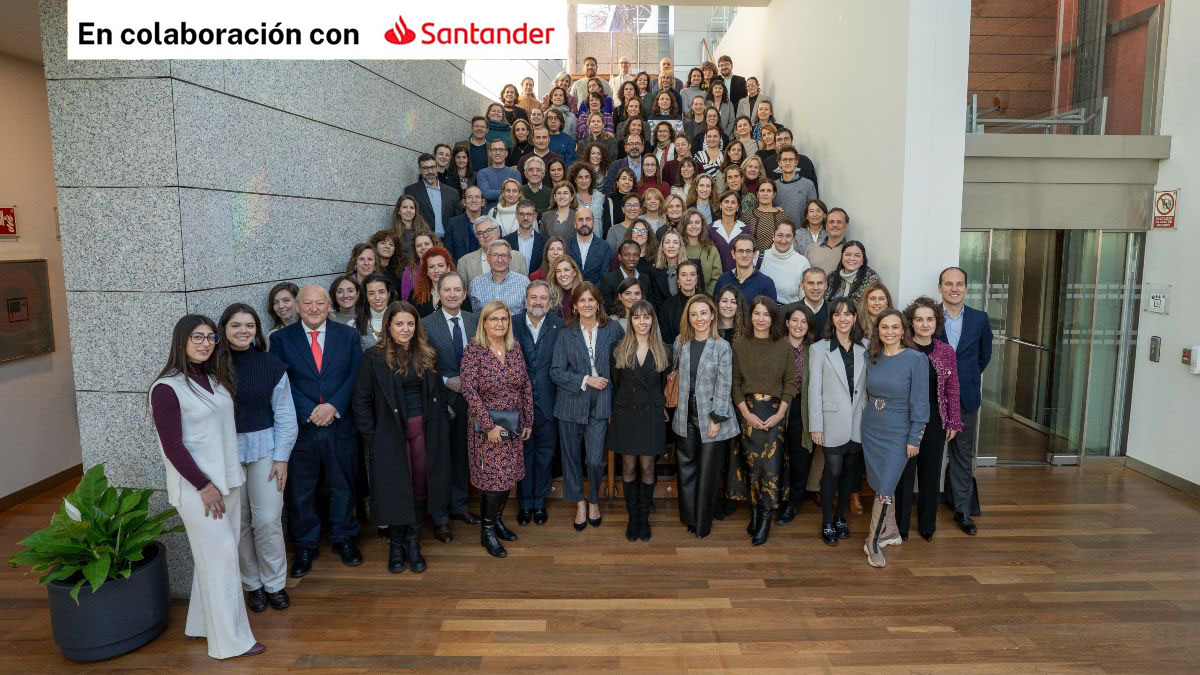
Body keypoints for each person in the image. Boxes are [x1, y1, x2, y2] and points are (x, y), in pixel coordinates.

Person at [150, 315, 264, 659]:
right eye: (197, 337)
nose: (205, 343)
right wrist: (203, 485)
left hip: (228, 483)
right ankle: (231, 642)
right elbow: (173, 446)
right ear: (181, 340)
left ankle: (200, 624)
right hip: (199, 491)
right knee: (223, 561)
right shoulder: (167, 389)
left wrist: (223, 482)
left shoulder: (213, 379)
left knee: (211, 561)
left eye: (210, 337)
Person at [270, 285, 364, 576]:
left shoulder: (347, 335)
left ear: (328, 306)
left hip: (340, 422)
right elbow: (281, 380)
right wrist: (309, 409)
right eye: (307, 303)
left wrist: (333, 406)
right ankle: (306, 545)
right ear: (298, 307)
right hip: (302, 427)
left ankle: (343, 537)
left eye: (319, 303)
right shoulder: (281, 339)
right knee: (301, 490)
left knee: (342, 484)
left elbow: (355, 375)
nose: (313, 308)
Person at [352, 301, 450, 574]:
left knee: (419, 486)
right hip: (390, 433)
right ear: (389, 326)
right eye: (399, 324)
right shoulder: (373, 356)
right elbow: (361, 399)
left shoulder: (428, 354)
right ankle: (396, 546)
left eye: (410, 323)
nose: (405, 329)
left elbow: (438, 393)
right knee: (395, 487)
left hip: (424, 431)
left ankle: (414, 543)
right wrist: (373, 437)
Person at [217, 304, 298, 614]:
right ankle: (253, 584)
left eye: (249, 325)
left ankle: (275, 583)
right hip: (226, 454)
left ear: (257, 330)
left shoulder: (271, 365)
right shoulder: (211, 369)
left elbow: (286, 415)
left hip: (266, 449)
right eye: (236, 325)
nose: (243, 331)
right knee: (240, 523)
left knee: (267, 520)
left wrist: (282, 458)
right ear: (224, 329)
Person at [459, 300, 534, 557]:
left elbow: (525, 386)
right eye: (494, 319)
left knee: (508, 476)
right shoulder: (474, 351)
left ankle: (498, 521)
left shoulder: (515, 348)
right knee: (493, 480)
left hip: (512, 423)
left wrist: (527, 421)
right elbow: (469, 390)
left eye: (504, 319)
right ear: (484, 322)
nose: (500, 323)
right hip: (486, 427)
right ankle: (487, 531)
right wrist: (489, 426)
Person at [551, 282, 624, 530]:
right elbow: (556, 372)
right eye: (582, 301)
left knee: (594, 460)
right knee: (571, 458)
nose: (587, 305)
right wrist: (585, 379)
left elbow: (623, 364)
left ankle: (594, 499)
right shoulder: (565, 332)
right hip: (571, 403)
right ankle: (580, 503)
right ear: (574, 306)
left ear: (598, 303)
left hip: (602, 404)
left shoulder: (612, 329)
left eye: (591, 300)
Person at [860, 309, 929, 568]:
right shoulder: (872, 356)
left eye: (895, 327)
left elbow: (920, 403)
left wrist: (915, 438)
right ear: (878, 330)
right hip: (872, 428)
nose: (890, 332)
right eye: (884, 327)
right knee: (880, 484)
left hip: (899, 432)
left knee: (886, 485)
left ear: (903, 331)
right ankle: (890, 532)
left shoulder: (915, 359)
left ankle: (872, 541)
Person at [729, 296, 795, 546]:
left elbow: (790, 383)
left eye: (766, 314)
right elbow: (734, 383)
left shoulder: (783, 346)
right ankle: (756, 511)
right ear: (750, 316)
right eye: (757, 313)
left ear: (773, 318)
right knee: (751, 466)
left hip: (775, 413)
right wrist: (746, 413)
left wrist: (780, 414)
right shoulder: (739, 345)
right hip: (747, 412)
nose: (761, 319)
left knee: (770, 468)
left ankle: (766, 517)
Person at [672, 295, 740, 538]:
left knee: (708, 471)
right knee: (687, 467)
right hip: (684, 414)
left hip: (712, 416)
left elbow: (724, 384)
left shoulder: (722, 346)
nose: (699, 318)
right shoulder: (680, 342)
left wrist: (716, 418)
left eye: (703, 313)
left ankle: (702, 523)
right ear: (688, 318)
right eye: (693, 314)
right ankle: (690, 517)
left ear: (712, 316)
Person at [421, 272, 481, 541]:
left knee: (461, 456)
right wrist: (446, 381)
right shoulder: (425, 324)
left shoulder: (474, 321)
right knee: (439, 460)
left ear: (464, 293)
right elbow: (422, 365)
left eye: (458, 289)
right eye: (448, 290)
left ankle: (459, 506)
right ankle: (440, 517)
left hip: (470, 402)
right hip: (440, 401)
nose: (453, 294)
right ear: (439, 293)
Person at [898, 296, 962, 542]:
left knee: (931, 472)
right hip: (905, 418)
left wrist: (953, 421)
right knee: (905, 472)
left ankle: (927, 525)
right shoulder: (902, 349)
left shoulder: (946, 351)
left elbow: (952, 388)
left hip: (936, 419)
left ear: (937, 322)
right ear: (911, 323)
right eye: (919, 319)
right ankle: (901, 526)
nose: (924, 324)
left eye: (929, 319)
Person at [936, 266, 993, 535]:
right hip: (933, 397)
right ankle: (927, 507)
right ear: (940, 288)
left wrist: (963, 380)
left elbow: (983, 357)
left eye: (959, 284)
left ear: (966, 287)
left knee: (961, 455)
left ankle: (963, 510)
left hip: (965, 398)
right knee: (931, 454)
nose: (954, 288)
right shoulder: (929, 317)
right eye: (949, 284)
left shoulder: (980, 319)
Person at [609, 300, 671, 542]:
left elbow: (665, 385)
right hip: (626, 415)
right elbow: (616, 383)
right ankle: (632, 517)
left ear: (652, 320)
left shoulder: (664, 350)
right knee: (628, 467)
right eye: (637, 317)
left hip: (650, 415)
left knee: (647, 467)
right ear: (631, 320)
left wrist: (661, 407)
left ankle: (643, 517)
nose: (642, 322)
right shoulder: (618, 348)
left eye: (647, 317)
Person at [808, 299, 867, 547]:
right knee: (833, 471)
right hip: (831, 421)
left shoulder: (865, 348)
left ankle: (841, 517)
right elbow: (814, 390)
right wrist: (816, 426)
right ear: (831, 318)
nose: (843, 319)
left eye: (848, 314)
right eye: (838, 314)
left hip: (858, 420)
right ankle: (827, 521)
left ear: (855, 318)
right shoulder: (819, 349)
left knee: (850, 473)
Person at [512, 281, 563, 526]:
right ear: (526, 300)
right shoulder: (511, 324)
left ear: (550, 302)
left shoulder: (559, 326)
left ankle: (539, 502)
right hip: (518, 403)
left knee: (545, 453)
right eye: (534, 297)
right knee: (523, 453)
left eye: (543, 298)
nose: (538, 302)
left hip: (549, 401)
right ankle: (524, 502)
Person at [775, 303, 817, 525]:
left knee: (801, 460)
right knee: (777, 458)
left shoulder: (814, 351)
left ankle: (793, 503)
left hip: (804, 410)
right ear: (787, 323)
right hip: (778, 407)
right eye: (795, 320)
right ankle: (774, 499)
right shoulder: (776, 347)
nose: (799, 325)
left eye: (804, 321)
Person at [457, 215, 529, 288]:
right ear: (477, 238)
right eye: (480, 233)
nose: (485, 235)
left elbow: (525, 289)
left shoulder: (518, 258)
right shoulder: (464, 262)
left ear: (498, 232)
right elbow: (462, 293)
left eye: (489, 230)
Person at [403, 153, 462, 240]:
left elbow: (458, 220)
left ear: (437, 167)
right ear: (420, 170)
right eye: (425, 169)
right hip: (424, 242)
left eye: (432, 167)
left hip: (448, 242)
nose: (430, 172)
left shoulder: (453, 192)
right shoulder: (411, 191)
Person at [757, 221, 811, 305]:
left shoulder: (802, 263)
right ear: (773, 236)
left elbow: (805, 297)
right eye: (780, 235)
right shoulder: (758, 257)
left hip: (789, 313)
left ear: (793, 238)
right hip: (762, 314)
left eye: (788, 236)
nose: (783, 240)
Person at [470, 240, 530, 315]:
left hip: (516, 326)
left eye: (504, 255)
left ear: (510, 259)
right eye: (495, 255)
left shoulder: (524, 282)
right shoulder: (476, 284)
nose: (500, 260)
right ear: (488, 259)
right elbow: (476, 316)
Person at [714, 234, 778, 302]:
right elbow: (715, 308)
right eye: (740, 251)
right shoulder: (723, 280)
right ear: (733, 254)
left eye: (748, 251)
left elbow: (771, 311)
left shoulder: (766, 283)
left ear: (754, 254)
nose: (744, 255)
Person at [773, 148, 819, 232]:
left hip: (801, 234)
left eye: (791, 159)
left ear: (796, 162)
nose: (788, 162)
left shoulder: (808, 185)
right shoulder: (773, 186)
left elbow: (814, 212)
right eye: (784, 160)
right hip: (779, 234)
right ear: (779, 163)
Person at [680, 208, 722, 294]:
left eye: (697, 222)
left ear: (702, 225)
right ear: (684, 225)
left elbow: (716, 278)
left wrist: (706, 297)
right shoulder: (678, 248)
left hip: (705, 299)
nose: (694, 226)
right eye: (690, 223)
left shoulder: (711, 250)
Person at [566, 207, 613, 284]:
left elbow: (604, 277)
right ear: (575, 224)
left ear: (593, 222)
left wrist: (591, 293)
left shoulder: (604, 247)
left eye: (588, 219)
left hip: (596, 293)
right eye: (580, 220)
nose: (584, 223)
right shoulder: (566, 245)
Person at [825, 240, 881, 305]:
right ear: (842, 257)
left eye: (857, 255)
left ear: (863, 260)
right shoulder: (832, 278)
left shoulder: (871, 279)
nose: (852, 258)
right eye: (848, 254)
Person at [351, 273, 395, 350]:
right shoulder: (353, 325)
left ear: (388, 294)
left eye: (381, 292)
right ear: (365, 296)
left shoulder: (403, 320)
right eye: (371, 293)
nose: (377, 297)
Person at [710, 192, 751, 273]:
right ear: (720, 205)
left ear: (738, 207)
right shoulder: (710, 229)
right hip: (716, 277)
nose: (729, 205)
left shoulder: (745, 229)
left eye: (733, 202)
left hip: (739, 277)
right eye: (726, 201)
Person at [410, 246, 456, 318]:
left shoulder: (458, 293)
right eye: (431, 267)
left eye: (440, 266)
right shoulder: (415, 294)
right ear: (427, 272)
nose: (436, 270)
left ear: (448, 268)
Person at [477, 139, 521, 211]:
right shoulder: (482, 173)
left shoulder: (515, 173)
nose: (497, 152)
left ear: (506, 153)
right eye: (494, 150)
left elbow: (517, 195)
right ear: (489, 153)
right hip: (489, 215)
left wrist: (494, 192)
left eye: (501, 149)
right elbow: (486, 194)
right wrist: (509, 192)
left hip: (512, 213)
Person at [504, 200, 548, 272]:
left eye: (529, 214)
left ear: (535, 216)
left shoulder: (545, 242)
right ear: (516, 216)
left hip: (536, 282)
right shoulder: (506, 241)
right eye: (522, 214)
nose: (525, 218)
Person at [443, 185, 485, 261]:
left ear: (482, 202)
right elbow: (447, 252)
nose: (473, 200)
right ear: (464, 202)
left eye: (477, 197)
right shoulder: (453, 223)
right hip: (460, 270)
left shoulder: (491, 223)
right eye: (469, 197)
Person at [806, 208, 849, 279]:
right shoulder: (812, 248)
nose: (835, 225)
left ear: (846, 226)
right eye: (831, 222)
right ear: (826, 226)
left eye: (839, 222)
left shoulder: (850, 252)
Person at [390, 195, 434, 262]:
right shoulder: (392, 233)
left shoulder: (424, 230)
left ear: (415, 211)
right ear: (398, 211)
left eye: (412, 208)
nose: (408, 210)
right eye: (405, 207)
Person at [367, 229, 404, 294]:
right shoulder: (369, 269)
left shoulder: (399, 271)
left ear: (395, 249)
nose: (387, 246)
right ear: (375, 246)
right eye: (383, 243)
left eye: (391, 244)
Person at [550, 255, 582, 320]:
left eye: (566, 270)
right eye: (558, 271)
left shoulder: (584, 293)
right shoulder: (550, 295)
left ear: (575, 272)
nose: (562, 274)